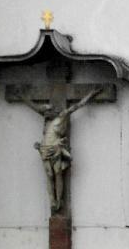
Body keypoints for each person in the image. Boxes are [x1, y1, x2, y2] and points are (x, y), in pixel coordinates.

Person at [20, 85, 101, 213]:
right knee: (49, 175)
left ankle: (59, 200)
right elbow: (34, 107)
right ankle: (52, 200)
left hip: (56, 149)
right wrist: (22, 97)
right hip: (44, 150)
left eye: (48, 109)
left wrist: (91, 94)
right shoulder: (46, 122)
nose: (46, 111)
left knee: (58, 175)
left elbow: (77, 106)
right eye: (45, 110)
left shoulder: (61, 117)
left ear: (54, 111)